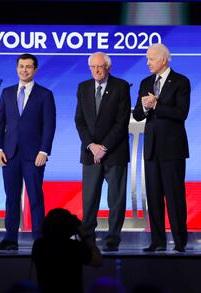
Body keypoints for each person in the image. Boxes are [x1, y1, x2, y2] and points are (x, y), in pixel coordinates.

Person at [0, 53, 56, 250]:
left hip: (33, 155)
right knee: (11, 198)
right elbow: (0, 123)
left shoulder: (44, 94)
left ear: (35, 69)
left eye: (29, 67)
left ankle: (40, 240)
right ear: (16, 68)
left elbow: (49, 126)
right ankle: (10, 239)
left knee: (35, 197)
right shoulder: (7, 92)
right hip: (10, 154)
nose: (24, 70)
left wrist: (44, 151)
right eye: (21, 66)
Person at [132, 43, 190, 253]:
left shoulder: (181, 82)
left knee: (174, 197)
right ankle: (157, 241)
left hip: (172, 149)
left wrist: (157, 105)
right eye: (147, 59)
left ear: (164, 59)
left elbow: (181, 113)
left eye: (151, 59)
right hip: (151, 148)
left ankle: (180, 241)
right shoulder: (146, 82)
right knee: (154, 196)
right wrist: (146, 108)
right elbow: (137, 114)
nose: (148, 63)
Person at [75, 52, 131, 251]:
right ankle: (87, 237)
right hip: (90, 153)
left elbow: (121, 122)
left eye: (100, 67)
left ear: (108, 67)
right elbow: (79, 121)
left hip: (114, 152)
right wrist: (92, 145)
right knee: (89, 198)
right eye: (92, 67)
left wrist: (104, 147)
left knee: (115, 198)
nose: (96, 71)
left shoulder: (121, 87)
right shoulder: (83, 87)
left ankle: (112, 238)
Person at [32, 208, 102, 293]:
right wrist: (85, 236)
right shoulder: (72, 246)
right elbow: (97, 260)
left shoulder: (38, 245)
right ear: (69, 227)